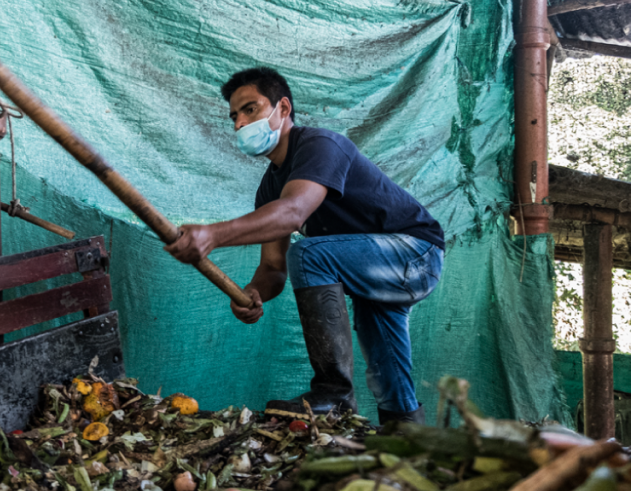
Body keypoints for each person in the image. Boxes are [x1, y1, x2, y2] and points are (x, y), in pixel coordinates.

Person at [165, 67, 444, 424]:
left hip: (415, 254)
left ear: (283, 108)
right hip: (376, 269)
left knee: (311, 253)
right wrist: (252, 292)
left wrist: (213, 235)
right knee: (386, 364)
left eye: (250, 109)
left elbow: (293, 213)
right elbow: (272, 268)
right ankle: (407, 437)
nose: (239, 124)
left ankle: (334, 393)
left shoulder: (319, 145)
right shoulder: (270, 189)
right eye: (234, 116)